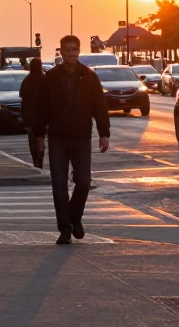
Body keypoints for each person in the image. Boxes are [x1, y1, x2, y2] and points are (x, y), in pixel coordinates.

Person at [30, 35, 111, 245]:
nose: (71, 54)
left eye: (74, 50)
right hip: (58, 138)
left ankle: (75, 217)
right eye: (67, 50)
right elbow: (41, 108)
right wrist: (39, 135)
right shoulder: (51, 78)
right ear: (61, 51)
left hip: (82, 137)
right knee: (59, 184)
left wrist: (104, 133)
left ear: (79, 51)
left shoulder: (89, 76)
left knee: (83, 183)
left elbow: (100, 107)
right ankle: (65, 229)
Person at [19, 58, 47, 169]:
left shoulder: (27, 80)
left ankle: (36, 158)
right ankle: (40, 158)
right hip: (43, 115)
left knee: (32, 138)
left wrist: (24, 116)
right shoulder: (45, 79)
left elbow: (23, 99)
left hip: (30, 115)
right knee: (40, 138)